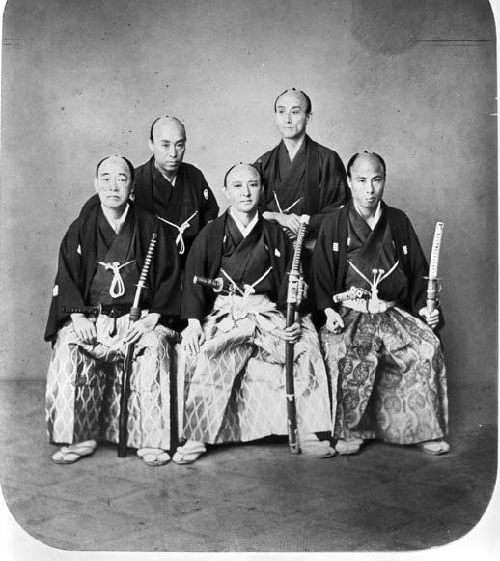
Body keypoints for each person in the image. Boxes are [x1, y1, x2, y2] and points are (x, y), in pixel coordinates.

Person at [172, 163, 334, 464]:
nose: (245, 192)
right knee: (209, 356)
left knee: (303, 347)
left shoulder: (275, 233)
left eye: (253, 185)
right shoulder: (211, 233)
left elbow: (289, 281)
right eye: (237, 185)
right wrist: (194, 322)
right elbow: (193, 279)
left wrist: (294, 310)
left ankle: (307, 430)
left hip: (265, 310)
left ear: (262, 189)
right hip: (227, 312)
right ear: (226, 191)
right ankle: (197, 435)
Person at [44, 155, 181, 466]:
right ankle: (78, 437)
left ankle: (153, 440)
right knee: (68, 345)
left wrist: (153, 317)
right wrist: (77, 316)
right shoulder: (82, 227)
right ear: (96, 184)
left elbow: (170, 276)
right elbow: (65, 275)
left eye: (121, 178)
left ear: (132, 186)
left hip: (140, 319)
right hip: (93, 317)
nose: (112, 185)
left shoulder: (151, 226)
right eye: (105, 178)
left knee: (157, 345)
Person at [312, 152, 449, 456]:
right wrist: (329, 310)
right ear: (349, 182)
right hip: (351, 312)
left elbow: (417, 273)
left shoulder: (397, 220)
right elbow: (320, 275)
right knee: (346, 353)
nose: (369, 189)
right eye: (361, 181)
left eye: (376, 180)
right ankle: (351, 431)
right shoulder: (335, 222)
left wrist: (426, 308)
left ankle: (419, 429)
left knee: (425, 348)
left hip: (391, 311)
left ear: (384, 180)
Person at [80, 115, 219, 263]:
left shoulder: (194, 176)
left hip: (190, 263)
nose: (173, 153)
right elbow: (98, 210)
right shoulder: (134, 181)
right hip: (148, 266)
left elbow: (210, 216)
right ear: (151, 145)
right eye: (165, 145)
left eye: (179, 145)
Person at [253, 88, 347, 246]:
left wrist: (306, 223)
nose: (287, 120)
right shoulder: (265, 162)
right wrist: (279, 217)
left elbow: (340, 210)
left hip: (315, 245)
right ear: (275, 117)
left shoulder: (328, 159)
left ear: (308, 117)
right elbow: (249, 208)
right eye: (281, 112)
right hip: (272, 245)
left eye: (295, 112)